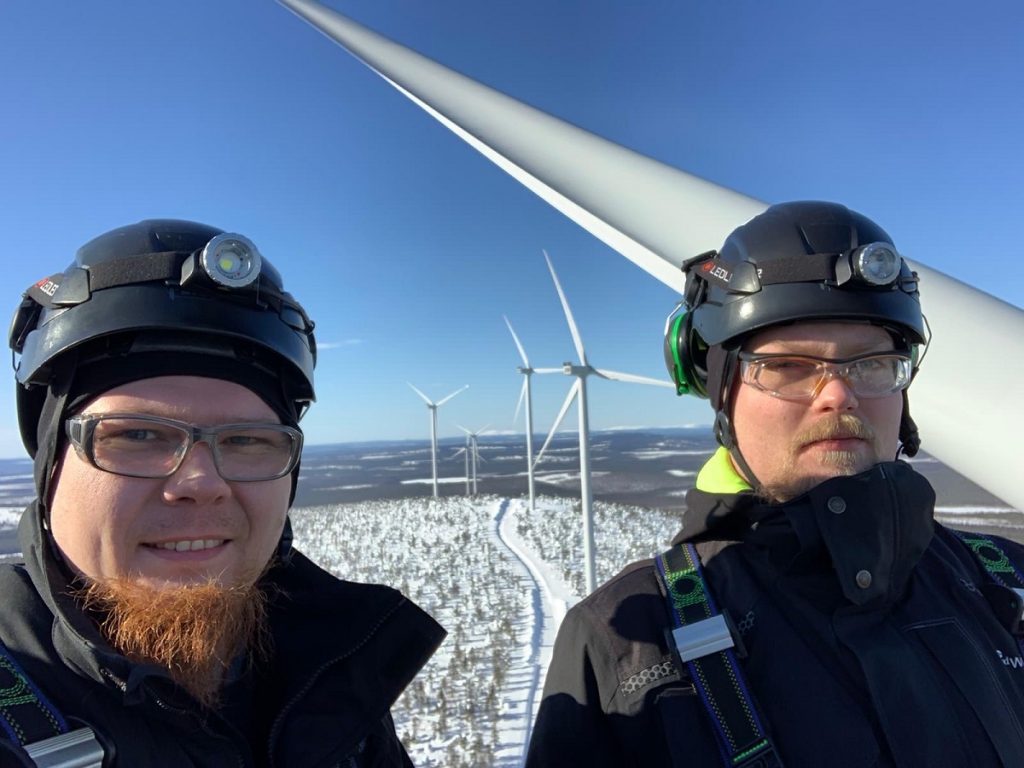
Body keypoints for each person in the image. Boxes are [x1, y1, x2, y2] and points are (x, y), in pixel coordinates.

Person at [526, 201, 1024, 767]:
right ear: (721, 392)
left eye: (872, 364)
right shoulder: (625, 647)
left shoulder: (1006, 581)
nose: (838, 394)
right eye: (787, 366)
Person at [0, 220, 445, 767]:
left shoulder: (332, 678)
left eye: (247, 440)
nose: (203, 484)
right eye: (137, 435)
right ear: (51, 465)